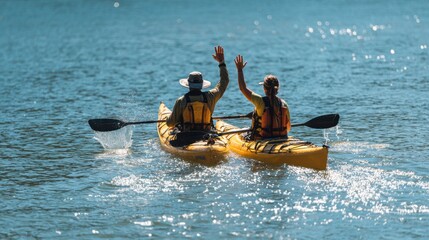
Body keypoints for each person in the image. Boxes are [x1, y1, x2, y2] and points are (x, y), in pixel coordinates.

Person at [166, 46, 229, 132]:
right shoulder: (211, 96)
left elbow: (170, 123)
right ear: (201, 84)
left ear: (188, 85)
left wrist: (167, 119)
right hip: (205, 134)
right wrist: (221, 63)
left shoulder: (181, 101)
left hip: (186, 136)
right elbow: (224, 82)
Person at [234, 54, 291, 139]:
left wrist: (239, 70)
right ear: (277, 88)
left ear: (264, 88)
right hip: (281, 139)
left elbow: (243, 88)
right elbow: (288, 128)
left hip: (262, 140)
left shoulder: (260, 101)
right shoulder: (283, 104)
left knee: (239, 135)